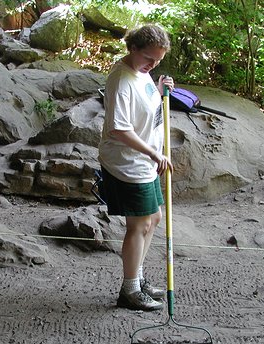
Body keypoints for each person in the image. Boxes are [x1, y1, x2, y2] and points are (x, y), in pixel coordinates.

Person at [98, 24, 174, 311]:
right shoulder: (120, 80)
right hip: (127, 161)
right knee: (139, 223)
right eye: (149, 59)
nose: (152, 65)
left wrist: (158, 89)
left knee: (153, 219)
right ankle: (129, 290)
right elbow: (120, 129)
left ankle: (138, 279)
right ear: (132, 49)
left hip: (144, 159)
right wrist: (154, 153)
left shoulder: (141, 73)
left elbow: (144, 103)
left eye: (158, 61)